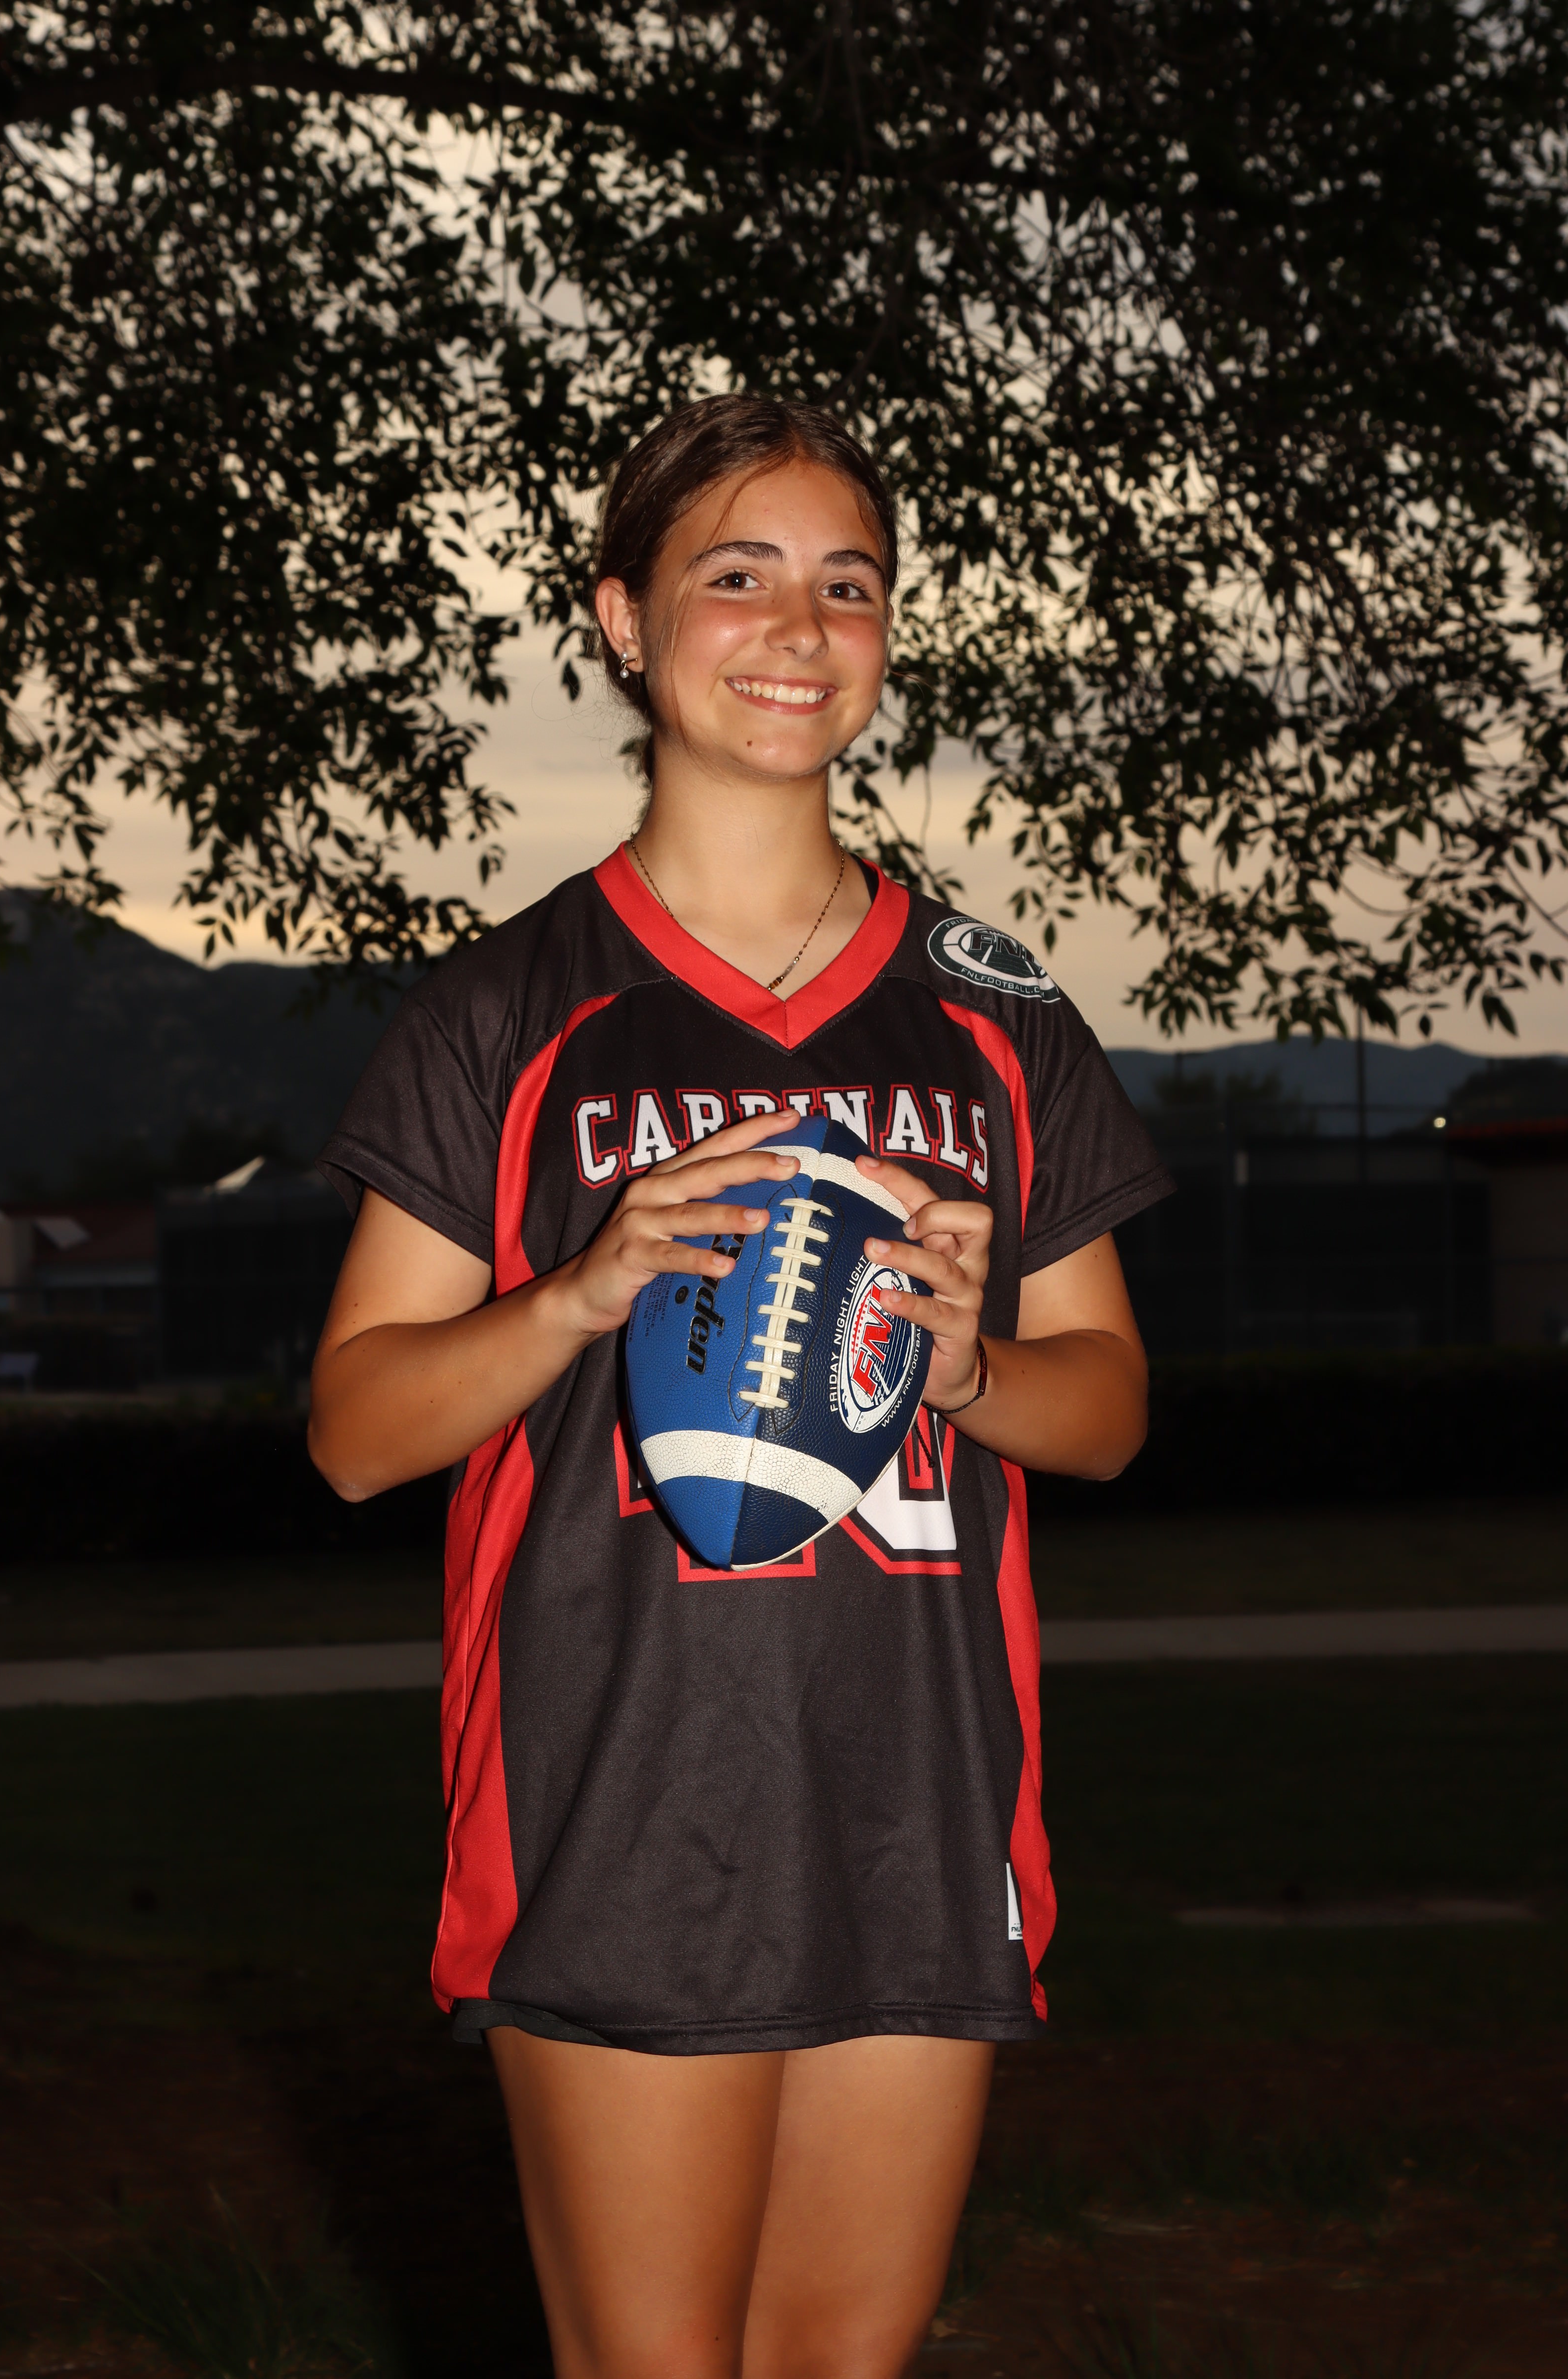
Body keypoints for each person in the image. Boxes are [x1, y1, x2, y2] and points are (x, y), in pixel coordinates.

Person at [309, 395, 1173, 2379]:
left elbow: (1110, 1409)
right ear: (624, 620)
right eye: (736, 575)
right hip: (618, 1791)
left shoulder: (990, 1006)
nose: (799, 627)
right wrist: (578, 1294)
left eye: (846, 584)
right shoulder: (508, 1008)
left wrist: (969, 1363)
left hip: (919, 1792)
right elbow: (355, 1435)